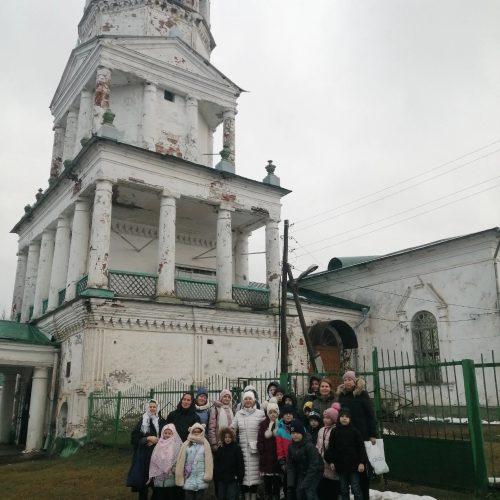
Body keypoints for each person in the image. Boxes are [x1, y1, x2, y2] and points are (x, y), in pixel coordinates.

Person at [336, 371, 377, 500]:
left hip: (361, 436)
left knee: (362, 468)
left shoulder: (362, 394)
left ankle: (364, 496)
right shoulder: (342, 396)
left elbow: (370, 415)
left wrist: (372, 434)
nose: (347, 381)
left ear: (355, 381)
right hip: (346, 437)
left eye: (350, 379)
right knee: (348, 468)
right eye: (345, 379)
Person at [127, 399, 167, 500]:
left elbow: (167, 436)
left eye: (154, 407)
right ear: (147, 408)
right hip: (144, 456)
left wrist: (156, 440)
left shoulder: (161, 421)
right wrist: (147, 438)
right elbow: (134, 438)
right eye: (150, 407)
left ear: (157, 408)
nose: (152, 409)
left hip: (158, 456)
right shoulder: (143, 421)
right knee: (143, 484)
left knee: (157, 484)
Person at [324, 408, 367, 500]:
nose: (344, 418)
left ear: (350, 419)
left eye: (347, 417)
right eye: (342, 416)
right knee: (343, 489)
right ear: (339, 418)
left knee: (356, 488)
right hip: (340, 466)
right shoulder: (335, 431)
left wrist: (362, 462)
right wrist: (331, 461)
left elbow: (361, 448)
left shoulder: (355, 431)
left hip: (354, 466)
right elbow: (331, 448)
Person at [232, 390, 265, 500]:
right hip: (242, 449)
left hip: (255, 449)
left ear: (254, 400)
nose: (248, 400)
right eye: (246, 398)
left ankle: (254, 496)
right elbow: (232, 428)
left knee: (255, 474)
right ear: (243, 401)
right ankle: (246, 497)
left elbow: (265, 428)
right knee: (244, 474)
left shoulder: (260, 414)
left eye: (250, 398)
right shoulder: (238, 414)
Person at [286, 420, 324, 500]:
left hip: (316, 471)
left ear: (302, 433)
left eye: (297, 433)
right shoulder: (291, 447)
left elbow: (314, 465)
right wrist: (290, 485)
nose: (295, 435)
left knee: (309, 490)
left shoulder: (309, 446)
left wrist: (305, 483)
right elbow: (290, 466)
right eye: (293, 433)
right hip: (302, 471)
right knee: (299, 492)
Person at [175, 423, 213, 500]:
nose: (196, 433)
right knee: (189, 496)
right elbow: (181, 460)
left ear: (202, 432)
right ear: (191, 432)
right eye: (194, 431)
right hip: (189, 475)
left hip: (201, 476)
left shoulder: (205, 444)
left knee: (200, 497)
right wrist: (180, 474)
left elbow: (209, 461)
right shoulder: (186, 444)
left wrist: (207, 474)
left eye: (198, 431)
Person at [148, 423, 183, 500]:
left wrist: (174, 469)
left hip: (170, 474)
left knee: (170, 493)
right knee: (160, 494)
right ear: (162, 433)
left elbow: (178, 458)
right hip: (159, 474)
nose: (167, 435)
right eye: (165, 433)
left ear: (173, 434)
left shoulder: (176, 445)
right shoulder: (159, 444)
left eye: (169, 433)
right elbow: (154, 457)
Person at [257, 399, 281, 500]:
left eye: (275, 412)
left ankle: (276, 496)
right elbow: (260, 439)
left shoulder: (280, 424)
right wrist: (262, 450)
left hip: (277, 457)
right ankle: (267, 496)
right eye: (270, 412)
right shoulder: (263, 424)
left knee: (276, 481)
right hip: (266, 457)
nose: (272, 414)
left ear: (278, 413)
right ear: (267, 413)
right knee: (267, 481)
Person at [316, 404, 341, 500]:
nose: (325, 420)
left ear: (334, 419)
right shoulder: (321, 430)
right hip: (321, 462)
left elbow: (336, 448)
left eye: (328, 418)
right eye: (324, 418)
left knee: (332, 488)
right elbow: (318, 444)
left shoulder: (335, 430)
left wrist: (333, 460)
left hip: (331, 463)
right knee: (322, 487)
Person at [214, 427, 245, 500]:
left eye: (229, 437)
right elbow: (216, 464)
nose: (227, 439)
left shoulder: (236, 448)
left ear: (232, 437)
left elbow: (240, 463)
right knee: (221, 496)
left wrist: (239, 476)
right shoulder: (220, 449)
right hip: (222, 478)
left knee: (231, 496)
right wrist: (217, 476)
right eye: (226, 437)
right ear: (223, 438)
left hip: (233, 478)